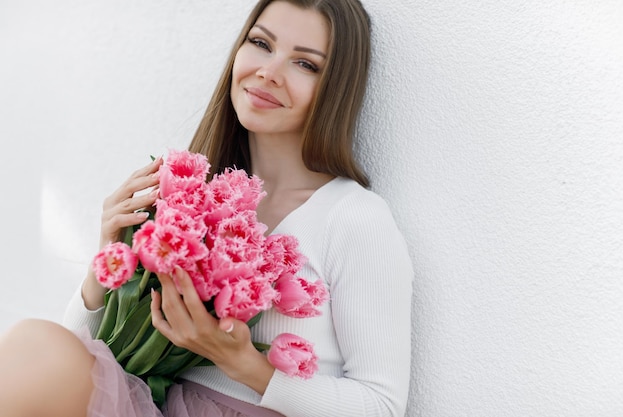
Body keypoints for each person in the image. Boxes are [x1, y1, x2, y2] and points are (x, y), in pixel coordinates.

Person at [0, 0, 414, 416]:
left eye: (305, 64)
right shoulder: (190, 195)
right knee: (35, 346)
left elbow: (382, 406)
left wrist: (244, 364)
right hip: (153, 404)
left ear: (334, 88)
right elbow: (57, 383)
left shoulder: (354, 218)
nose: (269, 72)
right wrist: (108, 261)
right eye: (260, 43)